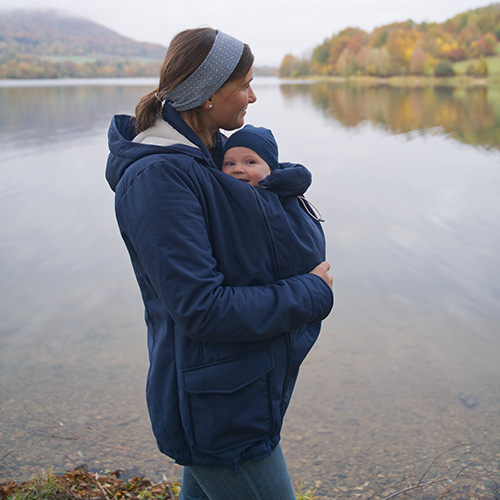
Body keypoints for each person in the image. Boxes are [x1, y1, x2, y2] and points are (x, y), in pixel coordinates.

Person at [105, 27, 334, 500]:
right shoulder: (157, 177)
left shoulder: (208, 158)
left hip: (233, 389)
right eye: (245, 84)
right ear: (208, 94)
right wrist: (310, 292)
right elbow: (201, 308)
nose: (252, 95)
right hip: (217, 409)